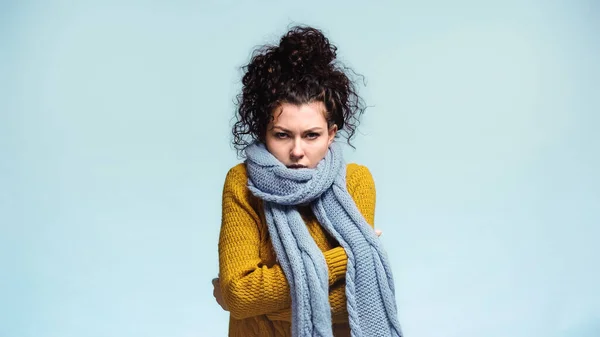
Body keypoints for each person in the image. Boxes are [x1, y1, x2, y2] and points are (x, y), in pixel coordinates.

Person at [213, 25, 403, 337]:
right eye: (282, 135)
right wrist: (348, 255)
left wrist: (251, 299)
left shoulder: (355, 181)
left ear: (332, 134)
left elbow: (357, 299)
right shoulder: (242, 183)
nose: (297, 151)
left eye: (311, 135)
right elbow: (239, 294)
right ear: (264, 132)